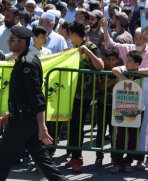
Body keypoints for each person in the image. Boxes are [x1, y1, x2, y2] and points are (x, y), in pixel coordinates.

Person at [0, 26, 66, 181]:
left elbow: (37, 96)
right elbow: (23, 95)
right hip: (25, 117)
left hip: (23, 121)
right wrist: (12, 112)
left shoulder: (27, 63)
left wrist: (42, 127)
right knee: (42, 159)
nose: (9, 42)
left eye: (13, 40)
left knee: (3, 156)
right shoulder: (28, 55)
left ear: (22, 42)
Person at [65, 21, 104, 173]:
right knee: (73, 125)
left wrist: (87, 51)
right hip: (74, 92)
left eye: (70, 35)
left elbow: (100, 65)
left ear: (74, 34)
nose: (69, 38)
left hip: (85, 93)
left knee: (77, 125)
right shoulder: (74, 47)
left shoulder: (91, 46)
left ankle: (77, 157)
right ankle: (75, 155)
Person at [110, 51, 147, 173]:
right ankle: (118, 161)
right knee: (120, 136)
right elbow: (115, 69)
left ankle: (128, 162)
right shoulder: (123, 69)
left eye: (130, 60)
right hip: (121, 108)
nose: (126, 61)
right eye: (126, 59)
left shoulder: (140, 72)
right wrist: (124, 78)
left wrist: (134, 72)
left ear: (137, 63)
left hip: (137, 109)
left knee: (133, 137)